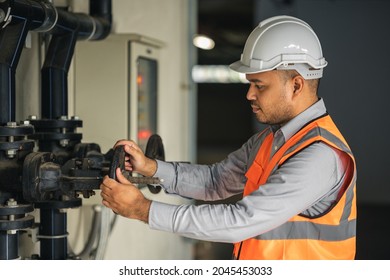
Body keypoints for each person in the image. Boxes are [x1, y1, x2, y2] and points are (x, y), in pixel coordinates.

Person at [100, 15, 357, 260]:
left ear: (296, 85)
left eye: (260, 85)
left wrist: (143, 209)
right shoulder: (271, 139)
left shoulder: (320, 155)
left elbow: (241, 221)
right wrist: (151, 168)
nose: (249, 95)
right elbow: (216, 181)